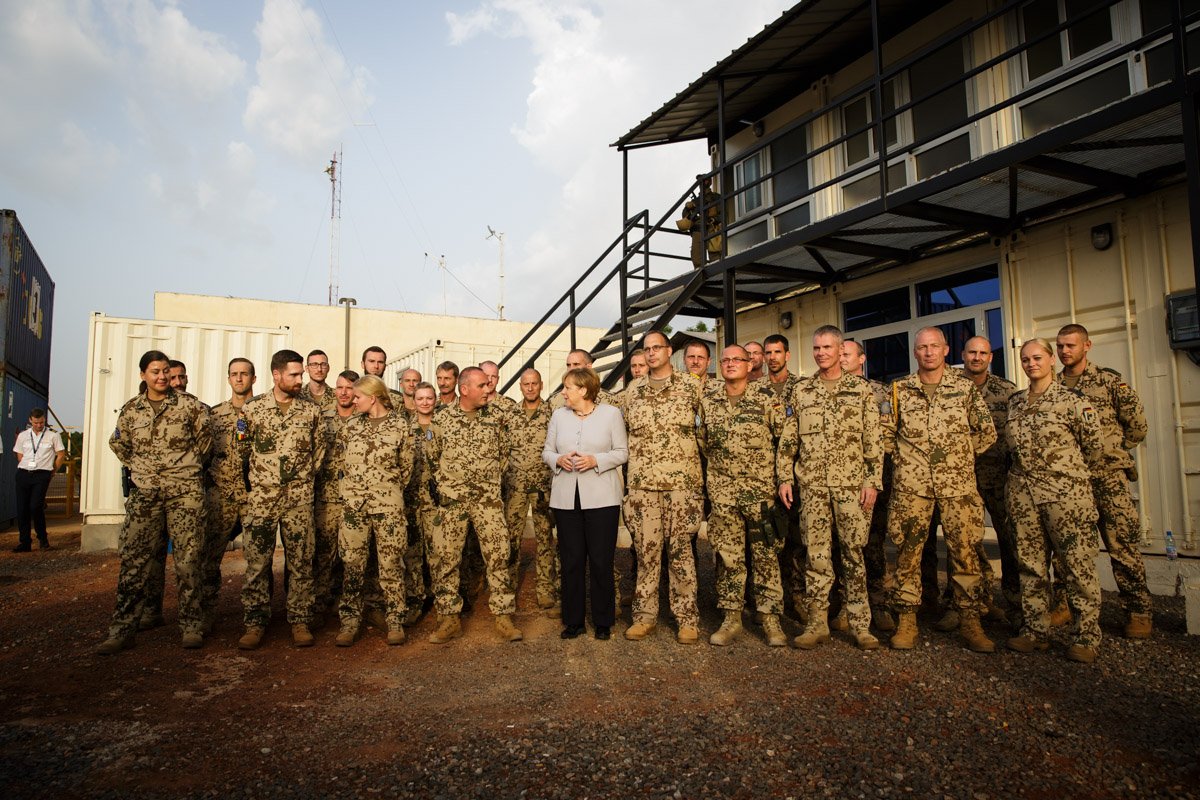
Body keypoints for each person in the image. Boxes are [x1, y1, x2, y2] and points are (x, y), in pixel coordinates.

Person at [883, 327, 997, 653]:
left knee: (965, 555)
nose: (929, 352)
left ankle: (970, 621)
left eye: (934, 346)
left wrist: (959, 457)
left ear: (946, 350)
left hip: (958, 488)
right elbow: (887, 435)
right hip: (912, 489)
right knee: (908, 556)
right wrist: (909, 462)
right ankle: (906, 621)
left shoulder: (964, 388)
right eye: (922, 347)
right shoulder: (900, 389)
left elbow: (986, 432)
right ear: (915, 353)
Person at [97, 350, 212, 654]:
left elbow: (206, 443)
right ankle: (122, 630)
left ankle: (191, 626)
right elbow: (119, 443)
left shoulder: (190, 406)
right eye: (155, 372)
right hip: (145, 494)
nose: (162, 377)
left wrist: (181, 469)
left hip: (184, 494)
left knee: (188, 562)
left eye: (165, 371)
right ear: (143, 375)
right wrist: (143, 468)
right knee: (135, 562)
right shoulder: (131, 410)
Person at [777, 327, 883, 651]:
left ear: (841, 350)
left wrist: (872, 481)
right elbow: (789, 439)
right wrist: (784, 477)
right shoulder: (802, 391)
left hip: (852, 487)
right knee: (816, 556)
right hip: (812, 488)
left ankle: (860, 625)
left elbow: (873, 440)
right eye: (816, 347)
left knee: (853, 554)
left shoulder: (861, 391)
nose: (821, 352)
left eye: (827, 347)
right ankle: (816, 623)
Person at [1004, 339, 1105, 664]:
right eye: (1025, 359)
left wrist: (1065, 476)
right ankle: (1036, 631)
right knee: (1030, 566)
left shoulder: (1072, 400)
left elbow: (1093, 447)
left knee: (1077, 567)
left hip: (1065, 498)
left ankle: (1086, 636)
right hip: (1024, 497)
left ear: (1050, 360)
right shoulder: (1016, 402)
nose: (1031, 363)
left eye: (1037, 357)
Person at [1055, 323, 1153, 639]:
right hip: (1071, 482)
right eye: (1060, 346)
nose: (1064, 351)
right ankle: (1068, 604)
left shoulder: (1109, 382)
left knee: (1121, 546)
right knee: (1069, 550)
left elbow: (1137, 426)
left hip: (1109, 480)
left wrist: (1111, 452)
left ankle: (1137, 611)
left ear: (1087, 346)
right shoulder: (1053, 387)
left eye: (1071, 345)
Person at [618, 330, 705, 644]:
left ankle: (686, 619)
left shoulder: (691, 387)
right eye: (646, 349)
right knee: (646, 554)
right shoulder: (633, 391)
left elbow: (706, 433)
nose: (651, 353)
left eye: (657, 348)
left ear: (670, 352)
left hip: (682, 486)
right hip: (643, 488)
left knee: (681, 553)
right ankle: (644, 617)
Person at [237, 350, 327, 650]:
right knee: (257, 563)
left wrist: (300, 480)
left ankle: (299, 620)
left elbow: (318, 453)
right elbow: (242, 451)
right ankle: (255, 622)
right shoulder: (253, 409)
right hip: (263, 499)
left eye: (301, 374)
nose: (300, 379)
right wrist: (262, 481)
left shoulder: (310, 411)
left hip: (299, 499)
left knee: (301, 562)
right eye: (294, 374)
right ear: (277, 375)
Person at [426, 367, 522, 644]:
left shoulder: (497, 417)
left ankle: (503, 616)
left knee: (498, 556)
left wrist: (486, 482)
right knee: (447, 558)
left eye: (488, 384)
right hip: (453, 501)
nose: (488, 389)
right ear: (464, 388)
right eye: (481, 385)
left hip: (487, 500)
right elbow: (434, 457)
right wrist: (450, 485)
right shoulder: (442, 419)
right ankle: (449, 618)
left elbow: (504, 455)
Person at [700, 345, 787, 647]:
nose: (731, 364)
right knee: (728, 558)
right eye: (725, 360)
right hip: (723, 494)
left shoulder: (767, 400)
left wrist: (781, 481)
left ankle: (771, 619)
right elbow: (703, 443)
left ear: (750, 365)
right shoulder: (708, 402)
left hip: (760, 492)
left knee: (765, 557)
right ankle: (731, 617)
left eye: (737, 359)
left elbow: (783, 442)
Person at [930, 336, 1017, 632]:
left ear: (990, 357)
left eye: (982, 353)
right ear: (961, 354)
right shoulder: (949, 385)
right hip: (957, 479)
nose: (976, 358)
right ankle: (965, 601)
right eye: (971, 352)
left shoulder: (1006, 391)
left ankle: (1013, 603)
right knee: (962, 541)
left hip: (996, 477)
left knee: (1008, 538)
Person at [544, 367, 628, 639]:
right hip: (566, 499)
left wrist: (596, 460)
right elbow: (547, 451)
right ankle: (574, 622)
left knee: (601, 561)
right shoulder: (558, 415)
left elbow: (622, 453)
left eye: (567, 387)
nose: (563, 393)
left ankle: (603, 622)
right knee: (571, 561)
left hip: (602, 499)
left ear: (583, 390)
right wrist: (558, 460)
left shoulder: (611, 415)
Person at [334, 375, 414, 647]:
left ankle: (395, 621)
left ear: (373, 397)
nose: (352, 400)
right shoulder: (351, 426)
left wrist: (385, 491)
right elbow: (341, 462)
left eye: (357, 397)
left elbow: (406, 470)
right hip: (355, 507)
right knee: (352, 566)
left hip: (388, 507)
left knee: (390, 565)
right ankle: (349, 622)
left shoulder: (400, 426)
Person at [839, 339, 894, 631]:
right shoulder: (829, 391)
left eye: (846, 354)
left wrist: (871, 478)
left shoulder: (879, 391)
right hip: (840, 483)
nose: (841, 359)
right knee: (844, 547)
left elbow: (885, 436)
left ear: (861, 358)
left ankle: (879, 603)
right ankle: (847, 606)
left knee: (872, 544)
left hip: (872, 481)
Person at [199, 357, 256, 633]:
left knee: (258, 559)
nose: (239, 378)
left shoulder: (262, 412)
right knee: (209, 558)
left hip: (253, 497)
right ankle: (204, 613)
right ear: (228, 378)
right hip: (221, 496)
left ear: (254, 379)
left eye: (244, 374)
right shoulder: (214, 415)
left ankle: (257, 616)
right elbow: (203, 453)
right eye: (234, 374)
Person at [504, 368, 558, 610]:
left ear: (541, 385)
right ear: (520, 386)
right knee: (511, 538)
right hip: (515, 486)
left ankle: (545, 588)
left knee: (545, 538)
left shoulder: (552, 414)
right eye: (525, 383)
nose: (530, 387)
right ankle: (508, 586)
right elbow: (502, 449)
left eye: (534, 383)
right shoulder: (510, 414)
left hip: (543, 486)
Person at [760, 334, 805, 621]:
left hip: (799, 473)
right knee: (770, 538)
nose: (773, 357)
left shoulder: (803, 388)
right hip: (765, 474)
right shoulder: (757, 390)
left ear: (787, 355)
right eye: (768, 352)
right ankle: (770, 600)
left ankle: (798, 597)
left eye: (778, 352)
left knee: (799, 541)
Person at [313, 369, 358, 623]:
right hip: (327, 498)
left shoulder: (363, 419)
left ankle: (350, 604)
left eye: (349, 388)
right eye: (339, 387)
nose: (343, 392)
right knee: (324, 552)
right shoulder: (322, 416)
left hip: (354, 498)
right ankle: (321, 603)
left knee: (352, 554)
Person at [404, 382, 440, 622]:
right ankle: (416, 599)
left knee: (438, 551)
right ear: (413, 401)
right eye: (420, 398)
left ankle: (442, 601)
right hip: (411, 499)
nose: (425, 402)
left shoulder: (444, 426)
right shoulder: (403, 427)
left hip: (436, 500)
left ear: (434, 400)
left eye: (429, 398)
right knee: (413, 552)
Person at [11, 408, 66, 552]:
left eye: (41, 422)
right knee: (22, 508)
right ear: (30, 420)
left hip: (42, 474)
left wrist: (53, 470)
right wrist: (25, 466)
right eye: (36, 423)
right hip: (24, 473)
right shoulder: (23, 436)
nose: (39, 425)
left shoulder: (53, 436)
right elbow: (19, 454)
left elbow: (60, 454)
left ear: (44, 421)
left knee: (36, 506)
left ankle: (43, 538)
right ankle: (25, 542)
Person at [549, 350, 617, 409]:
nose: (571, 369)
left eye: (576, 364)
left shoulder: (609, 400)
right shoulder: (555, 400)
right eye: (568, 365)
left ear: (589, 367)